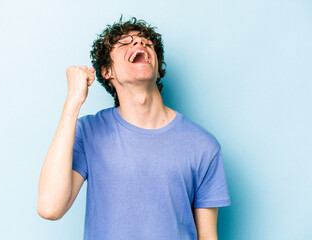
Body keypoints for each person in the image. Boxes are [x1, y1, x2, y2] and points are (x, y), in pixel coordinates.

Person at [37, 17, 231, 240]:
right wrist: (73, 102)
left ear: (158, 70)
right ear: (107, 71)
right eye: (125, 42)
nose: (140, 44)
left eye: (147, 43)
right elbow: (49, 207)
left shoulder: (203, 145)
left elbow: (207, 236)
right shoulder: (89, 132)